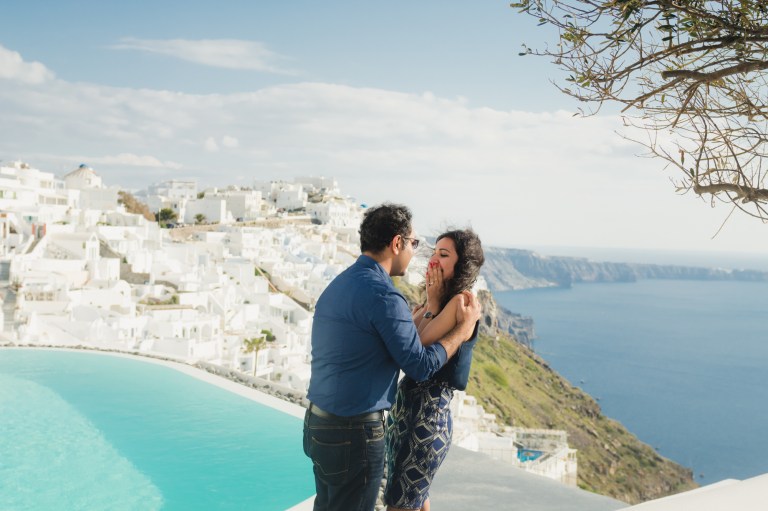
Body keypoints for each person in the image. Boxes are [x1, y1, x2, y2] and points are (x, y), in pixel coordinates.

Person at [303, 204, 482, 511]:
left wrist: (429, 310)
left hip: (318, 424)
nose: (421, 255)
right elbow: (420, 364)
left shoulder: (340, 284)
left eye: (442, 253)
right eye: (414, 244)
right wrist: (461, 331)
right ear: (397, 243)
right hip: (353, 432)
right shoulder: (385, 296)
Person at [384, 229, 485, 511]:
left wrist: (433, 305)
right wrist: (431, 304)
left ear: (461, 264)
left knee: (401, 505)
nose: (434, 260)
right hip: (407, 417)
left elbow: (414, 350)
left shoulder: (459, 303)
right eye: (434, 253)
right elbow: (403, 345)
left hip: (425, 420)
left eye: (444, 255)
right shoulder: (433, 302)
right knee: (414, 502)